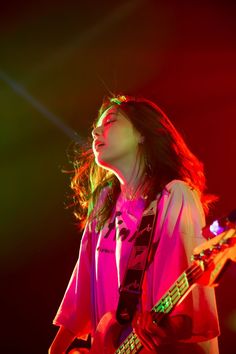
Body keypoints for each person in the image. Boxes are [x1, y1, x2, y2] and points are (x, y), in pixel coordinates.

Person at [49, 95, 220, 354]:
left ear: (142, 134)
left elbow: (190, 304)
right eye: (96, 125)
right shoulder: (104, 203)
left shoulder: (174, 196)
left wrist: (161, 326)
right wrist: (57, 350)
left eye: (110, 121)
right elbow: (80, 293)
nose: (95, 130)